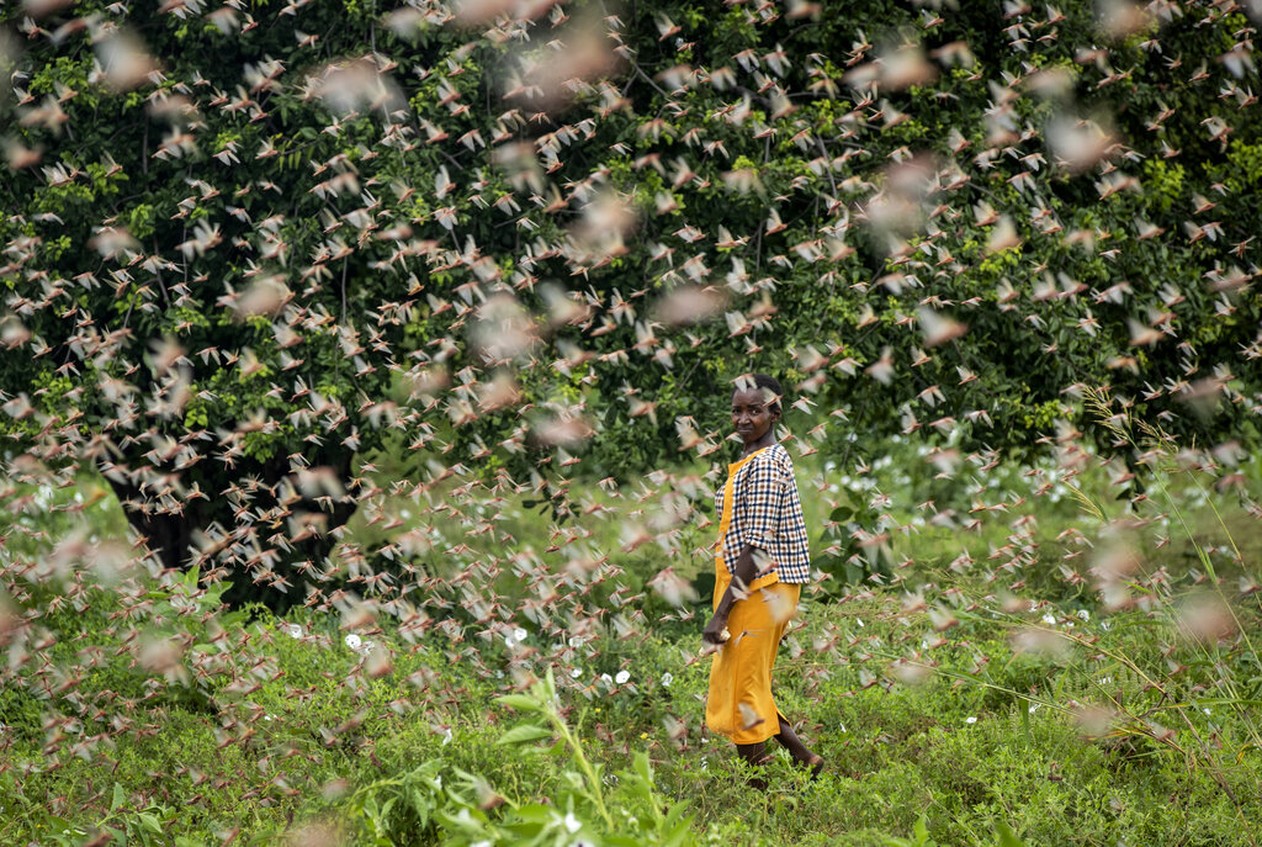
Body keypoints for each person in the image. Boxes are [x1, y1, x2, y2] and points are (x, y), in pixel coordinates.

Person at [702, 373, 822, 784]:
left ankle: (761, 795)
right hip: (749, 586)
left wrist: (720, 615)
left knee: (742, 692)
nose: (743, 418)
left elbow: (757, 547)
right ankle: (805, 760)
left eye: (755, 410)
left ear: (775, 411)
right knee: (747, 681)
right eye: (737, 410)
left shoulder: (768, 466)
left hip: (762, 588)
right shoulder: (751, 462)